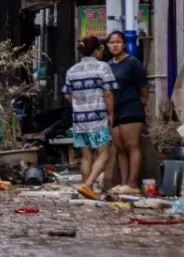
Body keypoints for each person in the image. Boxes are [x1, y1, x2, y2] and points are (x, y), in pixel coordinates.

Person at [64, 35, 117, 200]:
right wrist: (111, 113)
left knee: (86, 156)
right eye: (100, 48)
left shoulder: (72, 71)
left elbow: (67, 95)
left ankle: (88, 189)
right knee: (104, 154)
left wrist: (79, 104)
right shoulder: (103, 68)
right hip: (97, 116)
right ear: (96, 50)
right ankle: (88, 185)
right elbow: (108, 93)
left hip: (80, 119)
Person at [106, 30, 150, 195]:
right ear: (108, 45)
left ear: (124, 44)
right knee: (120, 148)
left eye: (118, 42)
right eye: (112, 42)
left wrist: (144, 101)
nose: (115, 45)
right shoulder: (108, 66)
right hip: (115, 110)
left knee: (132, 146)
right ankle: (124, 183)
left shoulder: (132, 62)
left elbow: (144, 86)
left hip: (131, 107)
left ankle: (133, 183)